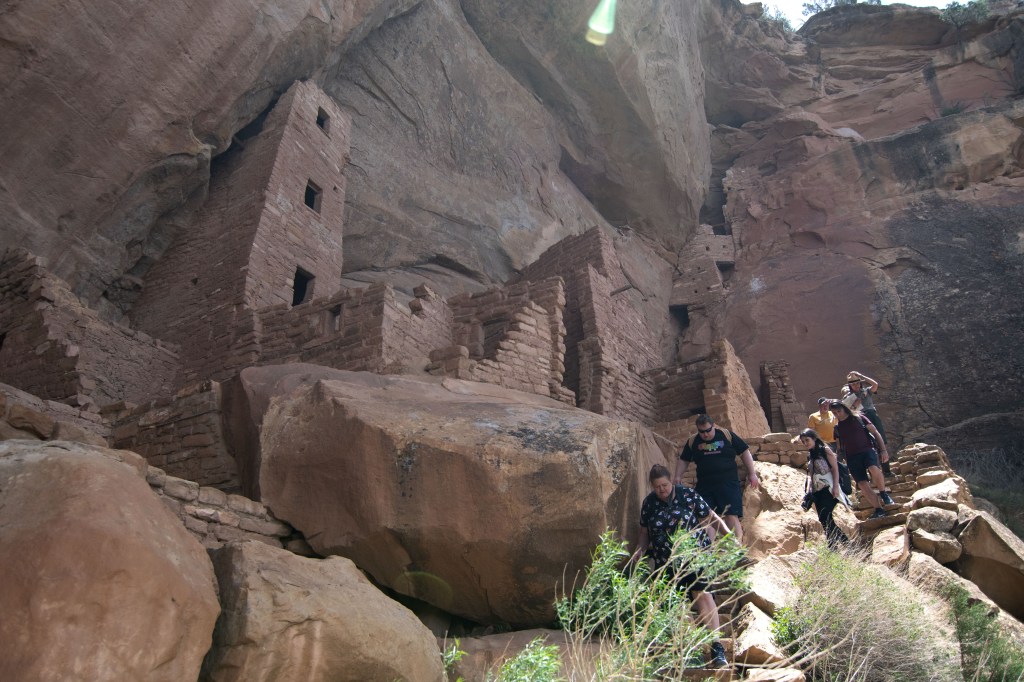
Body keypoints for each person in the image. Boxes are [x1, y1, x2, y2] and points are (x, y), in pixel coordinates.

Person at [632, 464, 733, 669]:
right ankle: (690, 650)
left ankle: (716, 647)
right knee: (676, 604)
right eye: (657, 486)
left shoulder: (688, 495)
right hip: (666, 562)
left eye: (665, 485)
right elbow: (644, 533)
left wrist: (729, 538)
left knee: (702, 594)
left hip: (695, 556)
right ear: (651, 486)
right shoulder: (649, 503)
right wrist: (639, 551)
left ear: (671, 481)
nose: (662, 490)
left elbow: (711, 517)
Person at [672, 414, 759, 544]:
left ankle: (736, 548)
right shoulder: (693, 441)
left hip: (728, 483)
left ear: (713, 426)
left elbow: (744, 451)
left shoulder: (726, 435)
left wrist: (752, 473)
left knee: (731, 515)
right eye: (702, 432)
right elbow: (684, 459)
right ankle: (709, 549)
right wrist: (677, 476)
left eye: (708, 430)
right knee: (705, 516)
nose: (705, 434)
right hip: (705, 485)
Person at [830, 400, 893, 519]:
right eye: (834, 413)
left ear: (844, 408)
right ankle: (878, 508)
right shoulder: (837, 428)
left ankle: (884, 493)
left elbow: (876, 433)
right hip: (851, 456)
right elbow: (839, 447)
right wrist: (839, 462)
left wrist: (883, 450)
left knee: (873, 468)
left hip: (867, 450)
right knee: (862, 484)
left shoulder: (859, 418)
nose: (837, 414)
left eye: (839, 411)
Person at [795, 428, 849, 548]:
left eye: (807, 440)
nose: (805, 443)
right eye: (803, 441)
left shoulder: (825, 450)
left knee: (825, 516)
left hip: (828, 488)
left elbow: (834, 469)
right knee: (824, 518)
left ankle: (843, 543)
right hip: (817, 491)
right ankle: (834, 545)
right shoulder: (811, 454)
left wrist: (835, 487)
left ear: (814, 438)